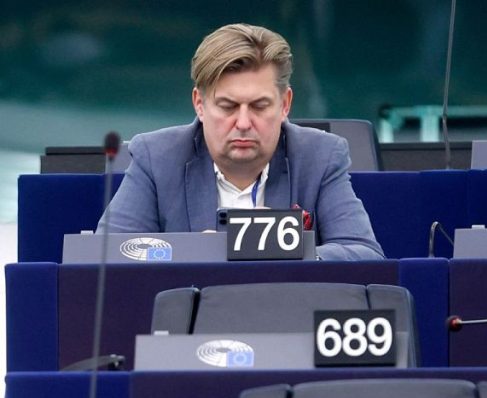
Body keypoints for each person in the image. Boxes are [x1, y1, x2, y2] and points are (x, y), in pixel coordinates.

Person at [96, 23, 385, 261]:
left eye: (259, 106)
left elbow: (365, 254)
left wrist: (280, 248)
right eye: (227, 106)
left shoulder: (321, 156)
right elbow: (105, 255)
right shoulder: (156, 156)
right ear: (199, 103)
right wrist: (197, 251)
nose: (244, 123)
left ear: (285, 104)